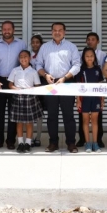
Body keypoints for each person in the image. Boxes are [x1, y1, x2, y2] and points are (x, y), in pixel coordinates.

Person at [35, 22, 81, 153]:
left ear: (64, 32)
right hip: (50, 84)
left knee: (69, 115)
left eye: (60, 30)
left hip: (66, 82)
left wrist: (65, 77)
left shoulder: (71, 47)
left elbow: (77, 65)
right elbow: (38, 64)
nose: (57, 32)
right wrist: (45, 75)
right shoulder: (45, 47)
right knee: (52, 115)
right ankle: (53, 143)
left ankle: (71, 143)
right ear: (51, 32)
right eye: (54, 30)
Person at [0, 21, 26, 150]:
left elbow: (23, 62)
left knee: (13, 113)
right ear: (1, 30)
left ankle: (11, 141)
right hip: (0, 81)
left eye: (9, 29)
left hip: (15, 82)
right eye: (4, 29)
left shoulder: (21, 44)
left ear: (13, 30)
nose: (6, 31)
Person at [8, 50, 42, 154]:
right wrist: (15, 88)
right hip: (18, 98)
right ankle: (20, 143)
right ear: (19, 59)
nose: (23, 59)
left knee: (29, 122)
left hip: (29, 98)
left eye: (25, 56)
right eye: (21, 57)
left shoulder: (33, 71)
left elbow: (37, 86)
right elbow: (10, 84)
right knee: (19, 122)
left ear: (30, 58)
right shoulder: (15, 70)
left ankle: (28, 143)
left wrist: (32, 90)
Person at [77, 33, 106, 148]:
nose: (90, 41)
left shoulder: (102, 56)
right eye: (88, 40)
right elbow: (78, 84)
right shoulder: (80, 66)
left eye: (93, 39)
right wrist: (77, 99)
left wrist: (102, 98)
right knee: (83, 119)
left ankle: (97, 140)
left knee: (97, 118)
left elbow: (101, 80)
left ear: (97, 41)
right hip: (84, 97)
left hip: (96, 96)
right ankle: (84, 140)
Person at [29, 34, 44, 147]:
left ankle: (38, 137)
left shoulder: (44, 55)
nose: (35, 44)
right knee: (28, 112)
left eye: (37, 42)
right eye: (33, 42)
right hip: (29, 85)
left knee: (39, 113)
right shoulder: (28, 55)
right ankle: (28, 137)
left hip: (41, 84)